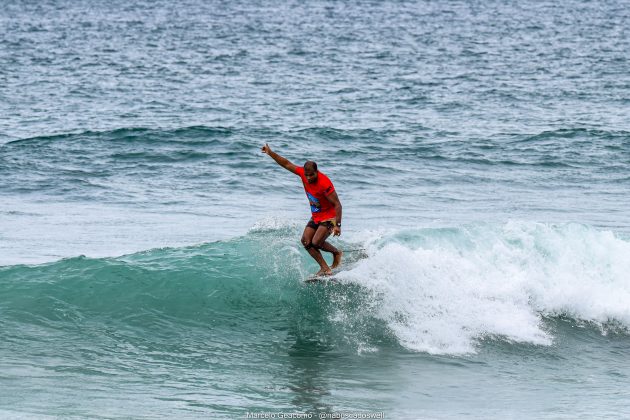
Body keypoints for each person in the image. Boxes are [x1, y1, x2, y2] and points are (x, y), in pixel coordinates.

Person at [262, 143, 342, 276]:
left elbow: (338, 204)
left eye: (311, 175)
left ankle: (336, 253)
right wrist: (270, 153)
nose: (308, 178)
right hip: (317, 215)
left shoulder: (324, 183)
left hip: (329, 216)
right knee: (306, 241)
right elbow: (286, 164)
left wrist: (338, 225)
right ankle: (325, 268)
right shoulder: (303, 174)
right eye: (307, 175)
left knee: (316, 242)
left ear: (316, 172)